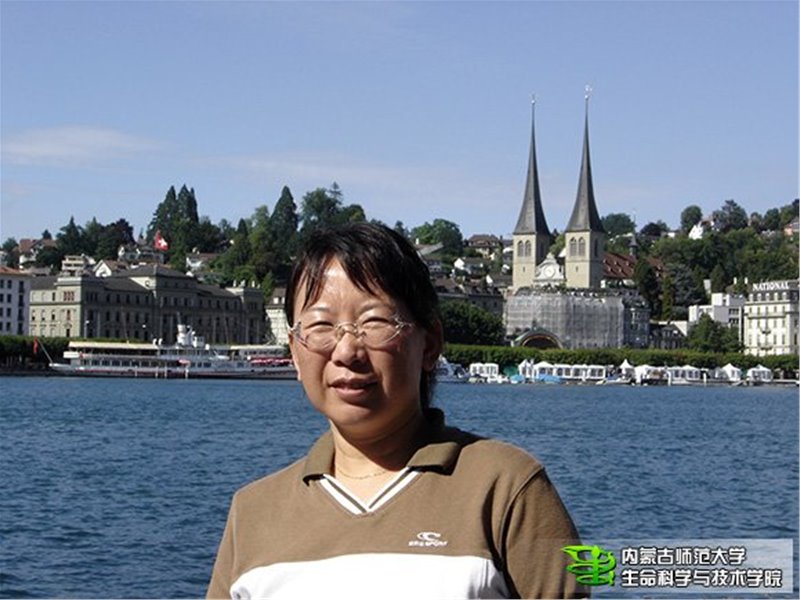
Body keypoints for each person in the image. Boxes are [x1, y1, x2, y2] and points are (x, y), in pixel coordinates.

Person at [207, 223, 586, 599]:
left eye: (374, 322)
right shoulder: (253, 512)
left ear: (429, 344)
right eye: (321, 325)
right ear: (294, 350)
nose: (347, 351)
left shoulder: (507, 488)